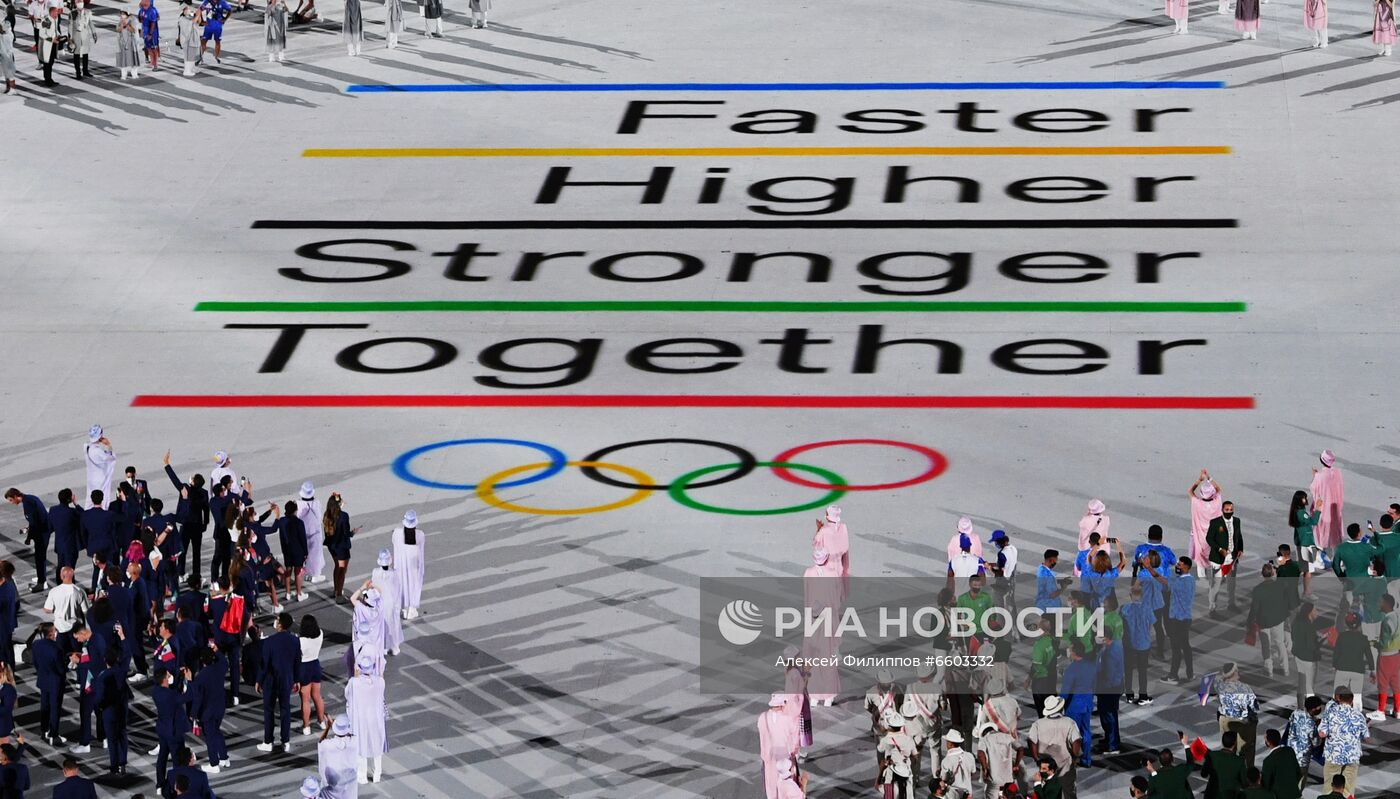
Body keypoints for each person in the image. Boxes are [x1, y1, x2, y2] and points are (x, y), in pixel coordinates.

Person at [257, 611, 300, 752]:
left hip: (271, 680)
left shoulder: (269, 641)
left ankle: (268, 741)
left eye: (277, 619)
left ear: (280, 624)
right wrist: (297, 679)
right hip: (287, 679)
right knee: (285, 709)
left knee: (269, 710)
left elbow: (264, 664)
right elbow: (297, 662)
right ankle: (285, 741)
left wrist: (259, 680)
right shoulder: (295, 640)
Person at [1317, 686, 1368, 797]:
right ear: (1352, 700)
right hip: (1352, 756)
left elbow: (1322, 733)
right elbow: (1366, 737)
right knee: (1348, 789)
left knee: (1329, 787)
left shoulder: (1330, 713)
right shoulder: (1359, 715)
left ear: (1339, 698)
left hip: (1333, 755)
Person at [186, 646, 229, 773]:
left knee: (210, 737)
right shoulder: (220, 668)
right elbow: (224, 661)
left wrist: (193, 713)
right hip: (220, 707)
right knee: (217, 732)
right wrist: (217, 650)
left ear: (201, 660)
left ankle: (214, 764)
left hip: (208, 711)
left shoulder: (201, 676)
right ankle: (224, 758)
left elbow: (197, 696)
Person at [1028, 697, 1080, 799]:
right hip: (1065, 763)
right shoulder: (1069, 722)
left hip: (1045, 763)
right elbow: (1076, 741)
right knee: (1069, 790)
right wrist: (1074, 757)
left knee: (1049, 791)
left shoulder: (1038, 724)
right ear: (1060, 709)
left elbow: (1031, 741)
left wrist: (1036, 758)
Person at [1245, 563, 1292, 678]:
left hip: (1263, 621)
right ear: (1273, 573)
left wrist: (1249, 622)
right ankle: (1285, 668)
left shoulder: (1257, 590)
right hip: (1278, 619)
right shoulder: (1280, 586)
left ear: (1262, 574)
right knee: (1280, 643)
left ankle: (1268, 669)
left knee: (1266, 645)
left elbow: (1254, 609)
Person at [5, 488, 50, 592]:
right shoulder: (30, 498)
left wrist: (28, 538)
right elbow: (37, 518)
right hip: (44, 530)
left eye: (11, 500)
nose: (11, 503)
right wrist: (28, 528)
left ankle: (42, 583)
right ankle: (41, 577)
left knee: (39, 558)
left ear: (15, 496)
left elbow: (35, 523)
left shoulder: (28, 504)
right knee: (40, 557)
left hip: (41, 533)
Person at [93, 649, 129, 775]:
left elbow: (99, 697)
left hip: (109, 710)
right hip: (122, 709)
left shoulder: (103, 676)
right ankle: (123, 763)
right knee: (122, 735)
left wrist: (99, 706)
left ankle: (115, 766)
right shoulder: (121, 672)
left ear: (105, 660)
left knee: (112, 739)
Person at [1215, 663, 1259, 765]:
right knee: (1246, 751)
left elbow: (1219, 678)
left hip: (1225, 720)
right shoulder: (1245, 688)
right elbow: (1255, 706)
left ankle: (1229, 767)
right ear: (1234, 672)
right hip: (1242, 723)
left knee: (1229, 748)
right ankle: (1246, 769)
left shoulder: (1220, 686)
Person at [1206, 501, 1243, 616]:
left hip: (1232, 558)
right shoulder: (1215, 522)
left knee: (1231, 584)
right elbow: (1209, 538)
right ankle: (1212, 608)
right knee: (1216, 585)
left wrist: (1240, 549)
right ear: (1222, 510)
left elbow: (1239, 536)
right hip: (1218, 559)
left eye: (1231, 510)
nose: (1229, 512)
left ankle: (1231, 604)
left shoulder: (1237, 521)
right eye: (1227, 510)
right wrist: (1219, 549)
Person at [152, 667, 187, 789]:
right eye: (168, 675)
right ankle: (177, 785)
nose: (170, 676)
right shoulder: (171, 695)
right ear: (164, 679)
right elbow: (187, 696)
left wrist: (179, 678)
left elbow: (172, 690)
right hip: (173, 731)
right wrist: (189, 680)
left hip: (163, 729)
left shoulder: (155, 691)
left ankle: (160, 784)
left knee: (162, 757)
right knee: (177, 759)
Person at [1331, 613, 1373, 712]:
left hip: (1342, 669)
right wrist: (1372, 669)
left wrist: (1334, 665)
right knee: (1357, 696)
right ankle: (1357, 715)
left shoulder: (1342, 636)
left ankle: (1335, 713)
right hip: (1358, 670)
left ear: (1346, 624)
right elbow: (1369, 656)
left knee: (1337, 695)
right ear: (1359, 624)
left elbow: (1336, 653)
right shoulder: (1363, 638)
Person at [31, 623, 65, 745]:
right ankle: (53, 734)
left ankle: (44, 729)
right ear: (51, 633)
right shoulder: (56, 648)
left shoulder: (36, 645)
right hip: (55, 682)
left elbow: (35, 662)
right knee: (55, 708)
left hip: (43, 679)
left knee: (45, 706)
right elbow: (60, 669)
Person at [1121, 583, 1154, 705]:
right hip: (1143, 643)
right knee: (1142, 670)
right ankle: (1142, 695)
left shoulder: (1124, 609)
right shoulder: (1148, 608)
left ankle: (1128, 693)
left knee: (1128, 669)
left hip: (1129, 643)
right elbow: (1150, 625)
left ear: (1130, 595)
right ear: (1142, 595)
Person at [366, 550, 403, 654]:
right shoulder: (394, 574)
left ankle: (383, 646)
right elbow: (397, 590)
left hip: (379, 602)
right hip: (390, 602)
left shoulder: (375, 572)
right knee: (393, 624)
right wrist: (397, 605)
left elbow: (373, 587)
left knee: (381, 624)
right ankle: (394, 646)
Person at [322, 493, 355, 604]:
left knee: (337, 566)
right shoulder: (344, 516)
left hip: (331, 545)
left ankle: (336, 590)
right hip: (341, 546)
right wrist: (352, 533)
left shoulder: (327, 515)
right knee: (342, 570)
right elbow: (346, 532)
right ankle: (339, 595)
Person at [391, 511, 425, 619]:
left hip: (400, 565)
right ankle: (412, 609)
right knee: (413, 585)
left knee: (402, 585)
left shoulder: (397, 533)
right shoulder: (420, 535)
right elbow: (421, 551)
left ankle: (404, 608)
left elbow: (394, 543)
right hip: (414, 566)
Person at [1095, 628, 1124, 756]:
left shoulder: (1110, 653)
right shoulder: (1114, 645)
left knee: (1109, 715)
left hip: (1108, 689)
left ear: (1105, 638)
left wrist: (1101, 688)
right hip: (1112, 687)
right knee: (1107, 714)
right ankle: (1109, 738)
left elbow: (1109, 673)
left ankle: (1113, 745)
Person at [1309, 451, 1344, 553]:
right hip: (1336, 508)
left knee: (1321, 532)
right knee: (1335, 533)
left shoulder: (1319, 476)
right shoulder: (1338, 472)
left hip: (1324, 510)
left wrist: (1315, 476)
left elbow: (1313, 489)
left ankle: (1321, 556)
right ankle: (1337, 557)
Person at [298, 615, 327, 736]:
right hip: (315, 665)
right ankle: (321, 721)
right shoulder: (320, 633)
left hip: (304, 667)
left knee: (305, 699)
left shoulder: (301, 641)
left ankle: (306, 726)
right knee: (317, 696)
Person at [1199, 730, 1246, 799]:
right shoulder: (1239, 761)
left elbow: (1203, 774)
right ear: (1235, 744)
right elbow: (1244, 782)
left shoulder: (1212, 755)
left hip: (1211, 795)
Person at [319, 715, 358, 798]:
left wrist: (328, 727)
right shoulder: (354, 742)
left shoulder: (328, 744)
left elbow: (320, 742)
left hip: (334, 782)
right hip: (349, 782)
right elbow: (352, 735)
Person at [276, 502, 308, 603]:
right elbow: (303, 539)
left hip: (287, 550)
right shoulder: (299, 522)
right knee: (298, 572)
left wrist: (283, 550)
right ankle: (299, 593)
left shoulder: (282, 521)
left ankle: (288, 593)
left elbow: (281, 537)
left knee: (288, 571)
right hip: (298, 550)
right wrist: (305, 552)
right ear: (295, 510)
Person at [296, 483, 327, 587]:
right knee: (316, 553)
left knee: (306, 553)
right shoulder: (316, 503)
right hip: (315, 532)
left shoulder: (299, 504)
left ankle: (307, 572)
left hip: (303, 532)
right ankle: (315, 574)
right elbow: (319, 517)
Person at [1376, 592, 1400, 719]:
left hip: (1386, 656)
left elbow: (1384, 644)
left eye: (1380, 602)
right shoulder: (1397, 616)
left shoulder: (1386, 621)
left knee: (1383, 683)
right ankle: (1398, 710)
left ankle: (1380, 711)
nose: (1379, 604)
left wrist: (1375, 643)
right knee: (1395, 683)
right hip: (1396, 655)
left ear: (1386, 604)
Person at [1260, 728, 1301, 799]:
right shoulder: (1290, 751)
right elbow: (1298, 772)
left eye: (1265, 738)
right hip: (1294, 794)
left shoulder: (1268, 761)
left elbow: (1266, 784)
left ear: (1268, 742)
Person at [85, 427, 115, 509]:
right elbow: (111, 458)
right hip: (100, 479)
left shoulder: (87, 447)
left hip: (92, 478)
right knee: (101, 499)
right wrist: (109, 445)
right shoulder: (98, 451)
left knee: (91, 499)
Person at [196, 0, 229, 64]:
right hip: (208, 26)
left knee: (217, 41)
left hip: (218, 26)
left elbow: (229, 10)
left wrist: (225, 19)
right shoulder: (206, 2)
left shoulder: (222, 2)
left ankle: (217, 57)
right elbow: (199, 10)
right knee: (203, 41)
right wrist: (201, 21)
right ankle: (200, 57)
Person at [115, 10, 140, 78]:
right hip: (123, 43)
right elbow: (117, 30)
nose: (122, 16)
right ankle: (123, 75)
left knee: (133, 58)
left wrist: (127, 25)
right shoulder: (120, 21)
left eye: (123, 14)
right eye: (121, 14)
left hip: (131, 43)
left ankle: (134, 74)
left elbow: (134, 30)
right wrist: (122, 26)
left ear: (127, 14)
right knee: (123, 59)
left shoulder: (132, 20)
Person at [176, 1, 198, 74]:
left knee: (191, 55)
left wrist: (197, 14)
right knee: (188, 56)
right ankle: (187, 71)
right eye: (187, 8)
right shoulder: (183, 18)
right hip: (187, 40)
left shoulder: (187, 16)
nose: (190, 10)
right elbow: (192, 22)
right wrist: (197, 15)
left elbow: (196, 18)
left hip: (190, 39)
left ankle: (191, 68)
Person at [137, 0, 159, 68]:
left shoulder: (152, 10)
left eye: (144, 5)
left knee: (154, 48)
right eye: (142, 5)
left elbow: (153, 23)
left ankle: (155, 64)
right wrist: (140, 17)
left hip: (153, 32)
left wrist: (150, 34)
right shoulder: (141, 10)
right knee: (148, 48)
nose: (143, 7)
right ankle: (152, 62)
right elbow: (140, 20)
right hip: (145, 31)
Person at [0, 16, 15, 94]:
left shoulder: (8, 35)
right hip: (3, 55)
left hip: (8, 55)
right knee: (6, 73)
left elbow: (8, 45)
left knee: (10, 73)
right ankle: (8, 87)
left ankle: (12, 89)